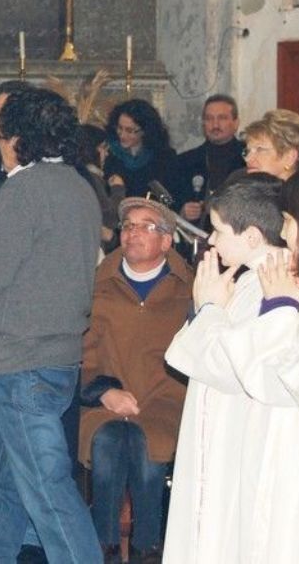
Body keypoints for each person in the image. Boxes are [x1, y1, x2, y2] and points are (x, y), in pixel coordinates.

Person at [0, 87, 102, 564]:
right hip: (57, 357)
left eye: (2, 135)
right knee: (4, 488)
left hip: (20, 361)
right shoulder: (80, 187)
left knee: (47, 490)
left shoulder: (22, 189)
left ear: (16, 137)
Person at [164, 166, 299, 562]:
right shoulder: (257, 279)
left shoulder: (282, 279)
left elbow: (249, 370)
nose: (283, 233)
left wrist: (210, 310)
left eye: (289, 221)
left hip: (282, 445)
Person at [80, 197, 192, 563]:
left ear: (166, 240)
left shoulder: (187, 290)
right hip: (105, 399)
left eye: (147, 226)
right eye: (127, 225)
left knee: (148, 443)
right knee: (110, 438)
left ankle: (148, 549)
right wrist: (104, 391)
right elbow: (82, 351)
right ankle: (104, 548)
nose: (133, 233)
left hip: (165, 402)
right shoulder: (98, 285)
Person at [171, 94, 245, 223]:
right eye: (209, 119)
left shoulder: (249, 158)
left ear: (236, 123)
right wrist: (182, 212)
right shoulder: (184, 162)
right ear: (203, 124)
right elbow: (171, 204)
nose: (215, 124)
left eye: (222, 118)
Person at [103, 99, 177, 200]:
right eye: (120, 128)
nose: (122, 135)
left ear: (145, 131)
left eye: (129, 130)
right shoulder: (110, 156)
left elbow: (169, 197)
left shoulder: (164, 158)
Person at [77, 123, 124, 253]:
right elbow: (110, 217)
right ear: (92, 150)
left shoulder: (76, 176)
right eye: (103, 147)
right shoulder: (92, 178)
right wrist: (118, 189)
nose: (106, 153)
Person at [242, 108, 299, 181]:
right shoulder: (238, 182)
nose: (248, 158)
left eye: (260, 149)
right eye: (248, 151)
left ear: (289, 157)